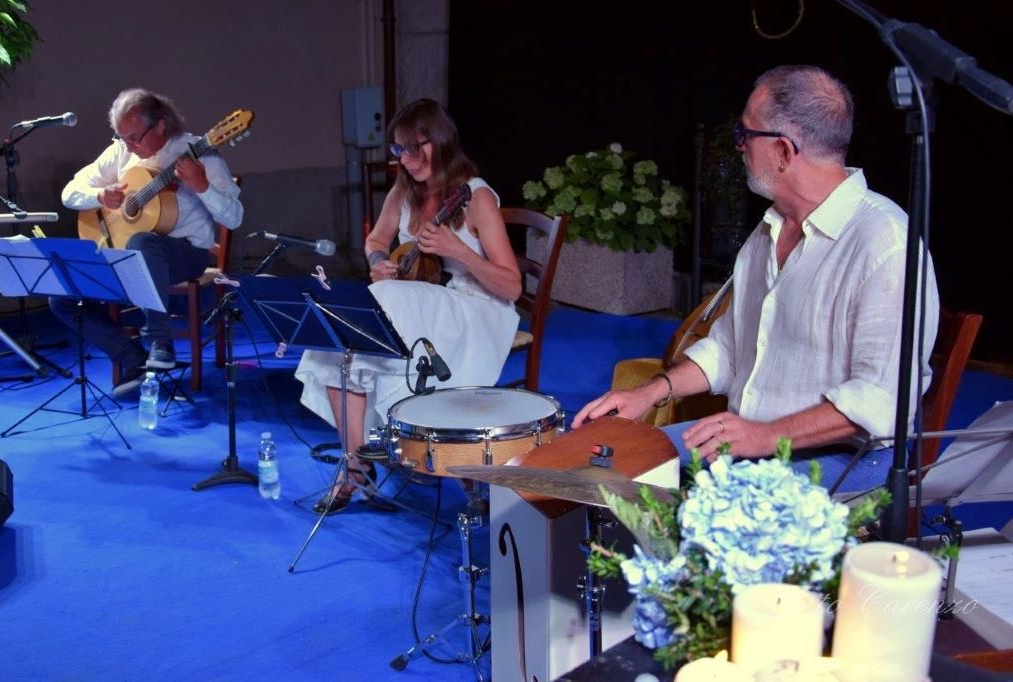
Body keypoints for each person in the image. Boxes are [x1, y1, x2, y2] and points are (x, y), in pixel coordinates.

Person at [573, 65, 940, 493]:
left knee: (673, 504)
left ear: (783, 150)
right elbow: (728, 348)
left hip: (844, 457)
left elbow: (880, 402)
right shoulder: (767, 233)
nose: (740, 146)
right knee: (611, 465)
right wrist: (652, 392)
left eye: (744, 134)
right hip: (751, 442)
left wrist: (765, 436)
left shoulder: (885, 244)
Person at [294, 98, 521, 513]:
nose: (407, 159)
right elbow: (376, 241)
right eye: (399, 149)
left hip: (477, 309)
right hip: (418, 301)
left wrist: (460, 251)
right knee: (340, 338)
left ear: (443, 140)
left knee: (383, 304)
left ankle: (399, 447)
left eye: (417, 148)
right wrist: (379, 261)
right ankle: (356, 463)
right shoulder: (404, 192)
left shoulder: (477, 197)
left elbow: (512, 285)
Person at [50, 88, 243, 398]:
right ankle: (132, 359)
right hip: (123, 254)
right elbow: (69, 193)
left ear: (160, 125)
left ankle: (160, 341)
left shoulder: (199, 154)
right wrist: (99, 196)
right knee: (61, 294)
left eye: (133, 138)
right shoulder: (122, 151)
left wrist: (202, 186)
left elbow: (234, 218)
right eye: (122, 137)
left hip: (186, 254)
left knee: (142, 242)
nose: (128, 145)